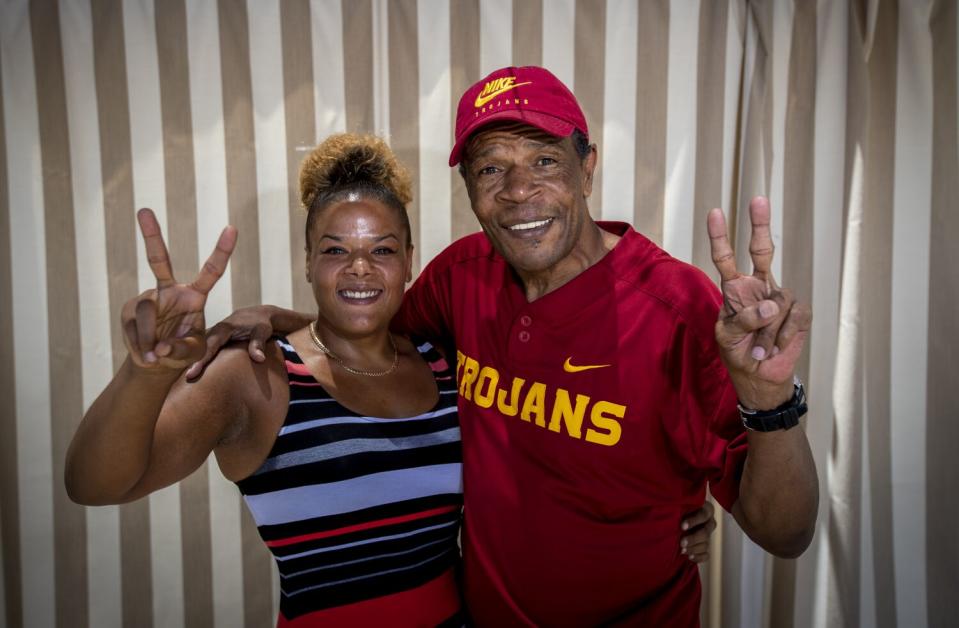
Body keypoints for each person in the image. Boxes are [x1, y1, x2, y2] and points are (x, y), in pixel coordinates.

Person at [194, 66, 818, 626]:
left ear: (588, 167)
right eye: (492, 167)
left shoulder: (679, 310)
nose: (518, 190)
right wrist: (282, 321)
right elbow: (375, 345)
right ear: (470, 189)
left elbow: (786, 532)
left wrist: (771, 400)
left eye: (544, 160)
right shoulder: (460, 275)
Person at [65, 131, 716, 626]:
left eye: (380, 249)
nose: (359, 269)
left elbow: (550, 437)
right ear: (307, 261)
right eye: (334, 250)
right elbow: (95, 483)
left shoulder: (442, 365)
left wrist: (668, 506)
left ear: (409, 262)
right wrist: (146, 373)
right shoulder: (254, 374)